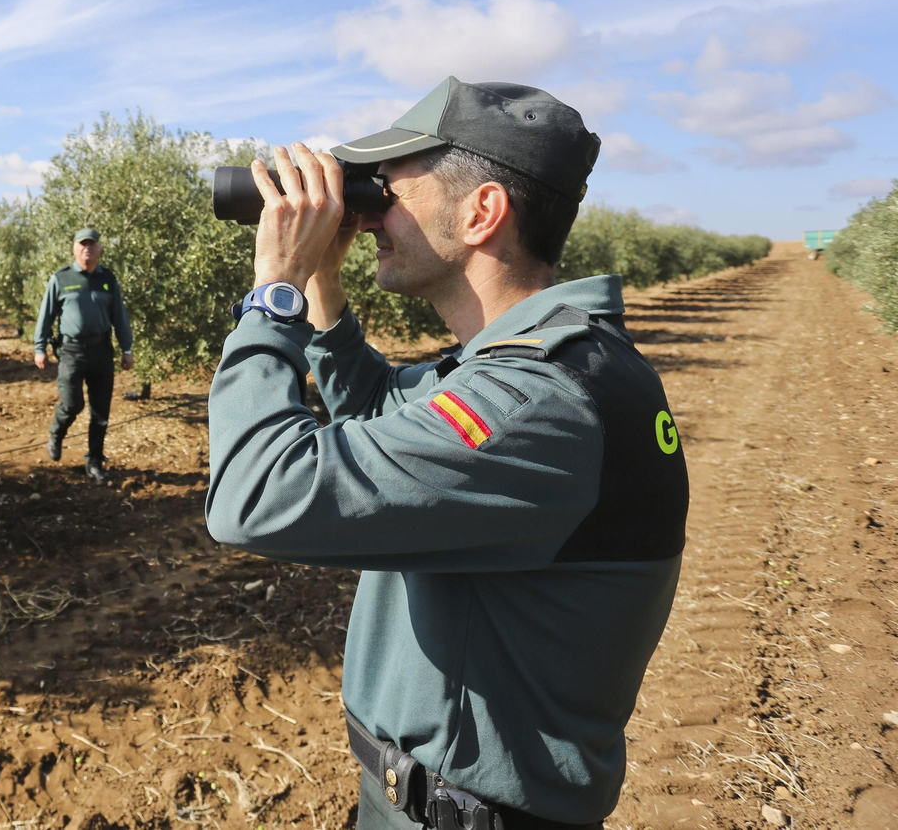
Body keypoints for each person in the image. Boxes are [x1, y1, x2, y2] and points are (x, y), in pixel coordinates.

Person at [204, 77, 688, 830]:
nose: (368, 213)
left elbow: (255, 496)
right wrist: (326, 281)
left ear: (481, 212)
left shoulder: (538, 402)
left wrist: (278, 292)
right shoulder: (540, 369)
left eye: (386, 188)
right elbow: (374, 414)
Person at [32, 227, 135, 483]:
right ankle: (56, 433)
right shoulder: (62, 278)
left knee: (101, 412)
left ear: (99, 249)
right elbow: (46, 315)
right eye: (82, 244)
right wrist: (39, 347)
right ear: (75, 248)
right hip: (71, 351)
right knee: (72, 403)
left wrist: (127, 348)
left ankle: (94, 461)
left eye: (92, 244)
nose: (87, 248)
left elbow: (119, 317)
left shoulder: (108, 279)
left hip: (101, 350)